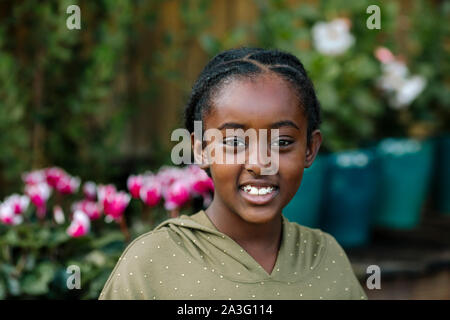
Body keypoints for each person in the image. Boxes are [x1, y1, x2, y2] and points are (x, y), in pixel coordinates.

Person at [99, 47, 368, 300]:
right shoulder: (152, 262)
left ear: (310, 149)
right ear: (202, 149)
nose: (260, 163)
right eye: (235, 143)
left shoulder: (326, 257)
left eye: (282, 142)